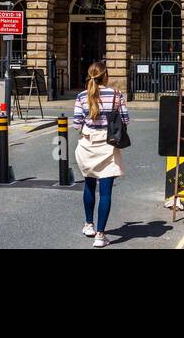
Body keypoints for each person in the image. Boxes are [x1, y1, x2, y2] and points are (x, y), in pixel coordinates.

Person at [72, 61, 128, 248]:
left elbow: (77, 124)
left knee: (89, 185)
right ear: (106, 76)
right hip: (108, 145)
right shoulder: (117, 95)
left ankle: (89, 225)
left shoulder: (81, 96)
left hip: (87, 145)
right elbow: (125, 119)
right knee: (105, 192)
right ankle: (100, 235)